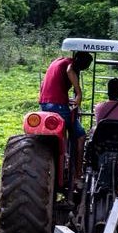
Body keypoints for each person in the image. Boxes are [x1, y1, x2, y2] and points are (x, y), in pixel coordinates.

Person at [38, 51, 92, 181]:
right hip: (58, 106)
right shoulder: (70, 65)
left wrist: (65, 100)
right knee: (80, 136)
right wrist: (79, 93)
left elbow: (47, 86)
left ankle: (65, 159)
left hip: (45, 103)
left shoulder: (57, 61)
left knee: (63, 133)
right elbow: (70, 71)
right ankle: (78, 175)